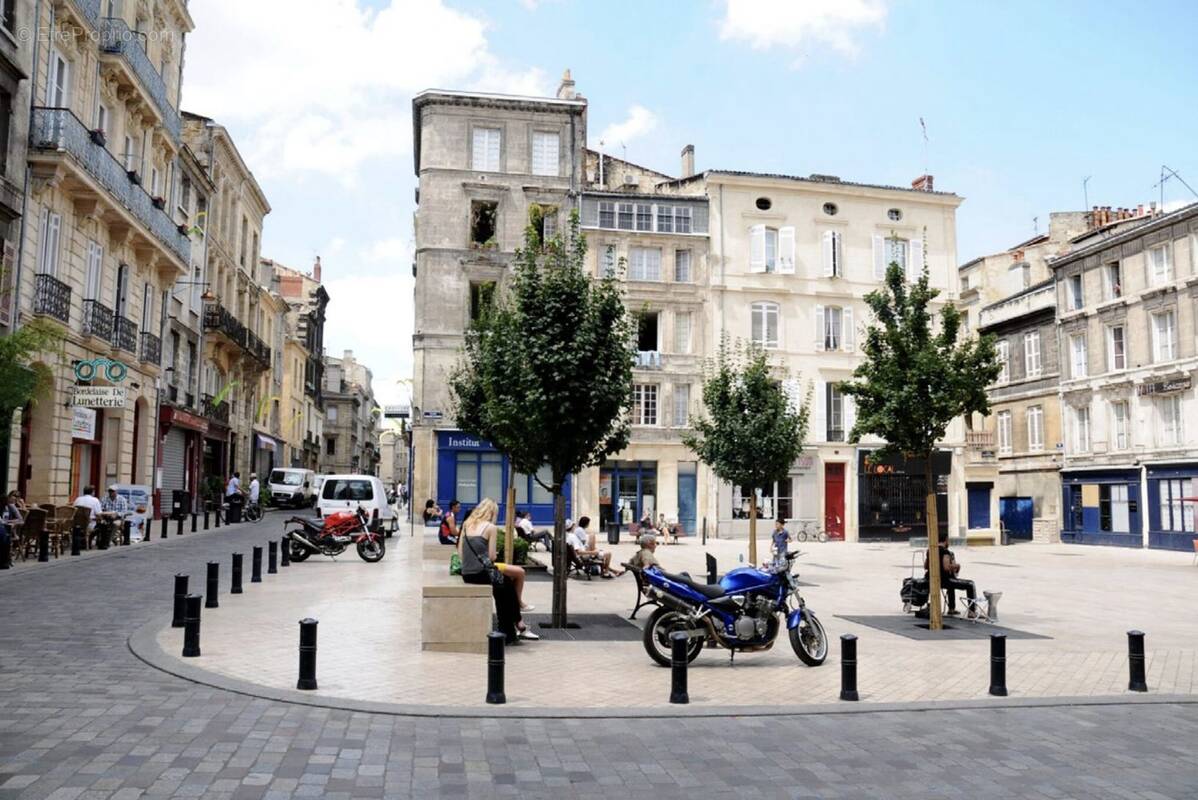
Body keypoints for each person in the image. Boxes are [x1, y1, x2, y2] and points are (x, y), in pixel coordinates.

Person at [457, 498, 539, 638]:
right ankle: (514, 626)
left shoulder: (466, 524)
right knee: (507, 586)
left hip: (467, 573)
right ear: (492, 512)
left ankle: (515, 626)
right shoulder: (490, 527)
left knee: (503, 587)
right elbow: (492, 557)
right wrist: (492, 554)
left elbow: (460, 552)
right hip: (481, 572)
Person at [924, 532, 978, 618]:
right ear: (946, 540)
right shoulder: (945, 552)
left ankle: (951, 609)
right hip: (943, 580)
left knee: (951, 583)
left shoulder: (930, 550)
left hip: (930, 579)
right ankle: (972, 611)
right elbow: (946, 567)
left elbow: (925, 566)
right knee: (970, 584)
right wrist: (956, 566)